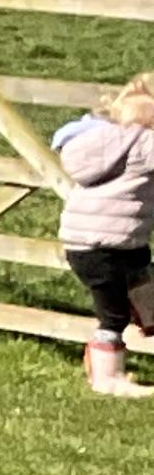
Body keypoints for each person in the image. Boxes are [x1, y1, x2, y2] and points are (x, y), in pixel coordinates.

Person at [57, 74, 154, 398]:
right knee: (114, 314)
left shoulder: (97, 141)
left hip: (93, 242)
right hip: (104, 245)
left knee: (142, 277)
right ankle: (106, 378)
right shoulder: (144, 143)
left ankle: (145, 321)